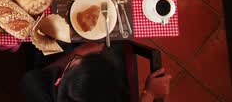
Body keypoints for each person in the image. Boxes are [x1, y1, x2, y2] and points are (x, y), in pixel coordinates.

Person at [21, 42, 172, 102]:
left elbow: (44, 72)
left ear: (59, 81)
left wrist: (74, 54)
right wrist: (149, 94)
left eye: (72, 66)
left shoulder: (34, 86)